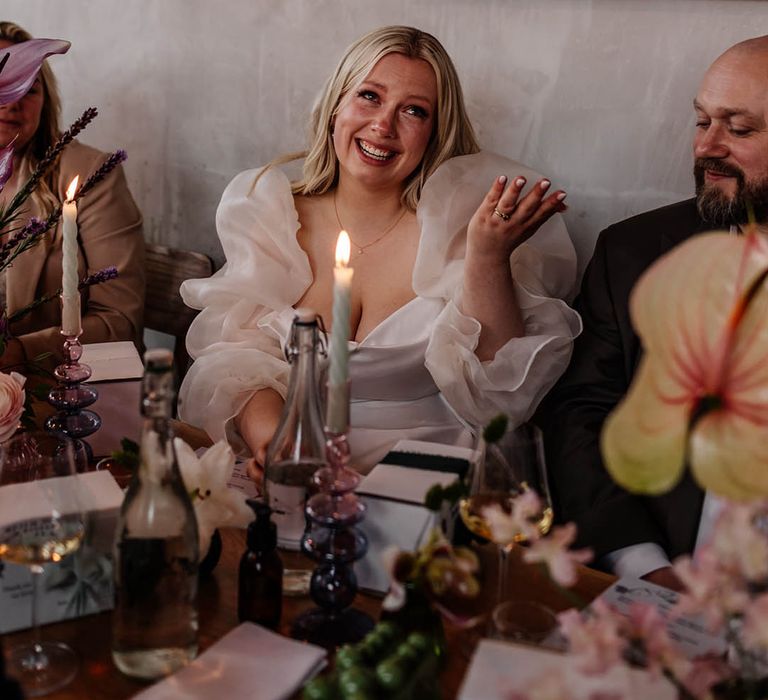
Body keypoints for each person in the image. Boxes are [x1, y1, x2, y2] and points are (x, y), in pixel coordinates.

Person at [180, 25, 580, 474]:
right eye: (369, 96)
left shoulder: (459, 229)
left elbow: (500, 399)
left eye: (413, 111)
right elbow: (239, 364)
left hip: (425, 477)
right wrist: (277, 445)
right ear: (336, 108)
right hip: (293, 461)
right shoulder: (269, 213)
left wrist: (487, 257)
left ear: (435, 134)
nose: (384, 125)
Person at [541, 36, 768, 590]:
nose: (706, 148)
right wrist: (641, 566)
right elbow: (581, 415)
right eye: (701, 122)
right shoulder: (634, 253)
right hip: (667, 584)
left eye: (738, 129)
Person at [0, 21, 145, 366]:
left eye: (29, 87)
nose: (13, 102)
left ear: (46, 99)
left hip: (50, 386)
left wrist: (20, 352)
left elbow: (119, 321)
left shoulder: (91, 175)